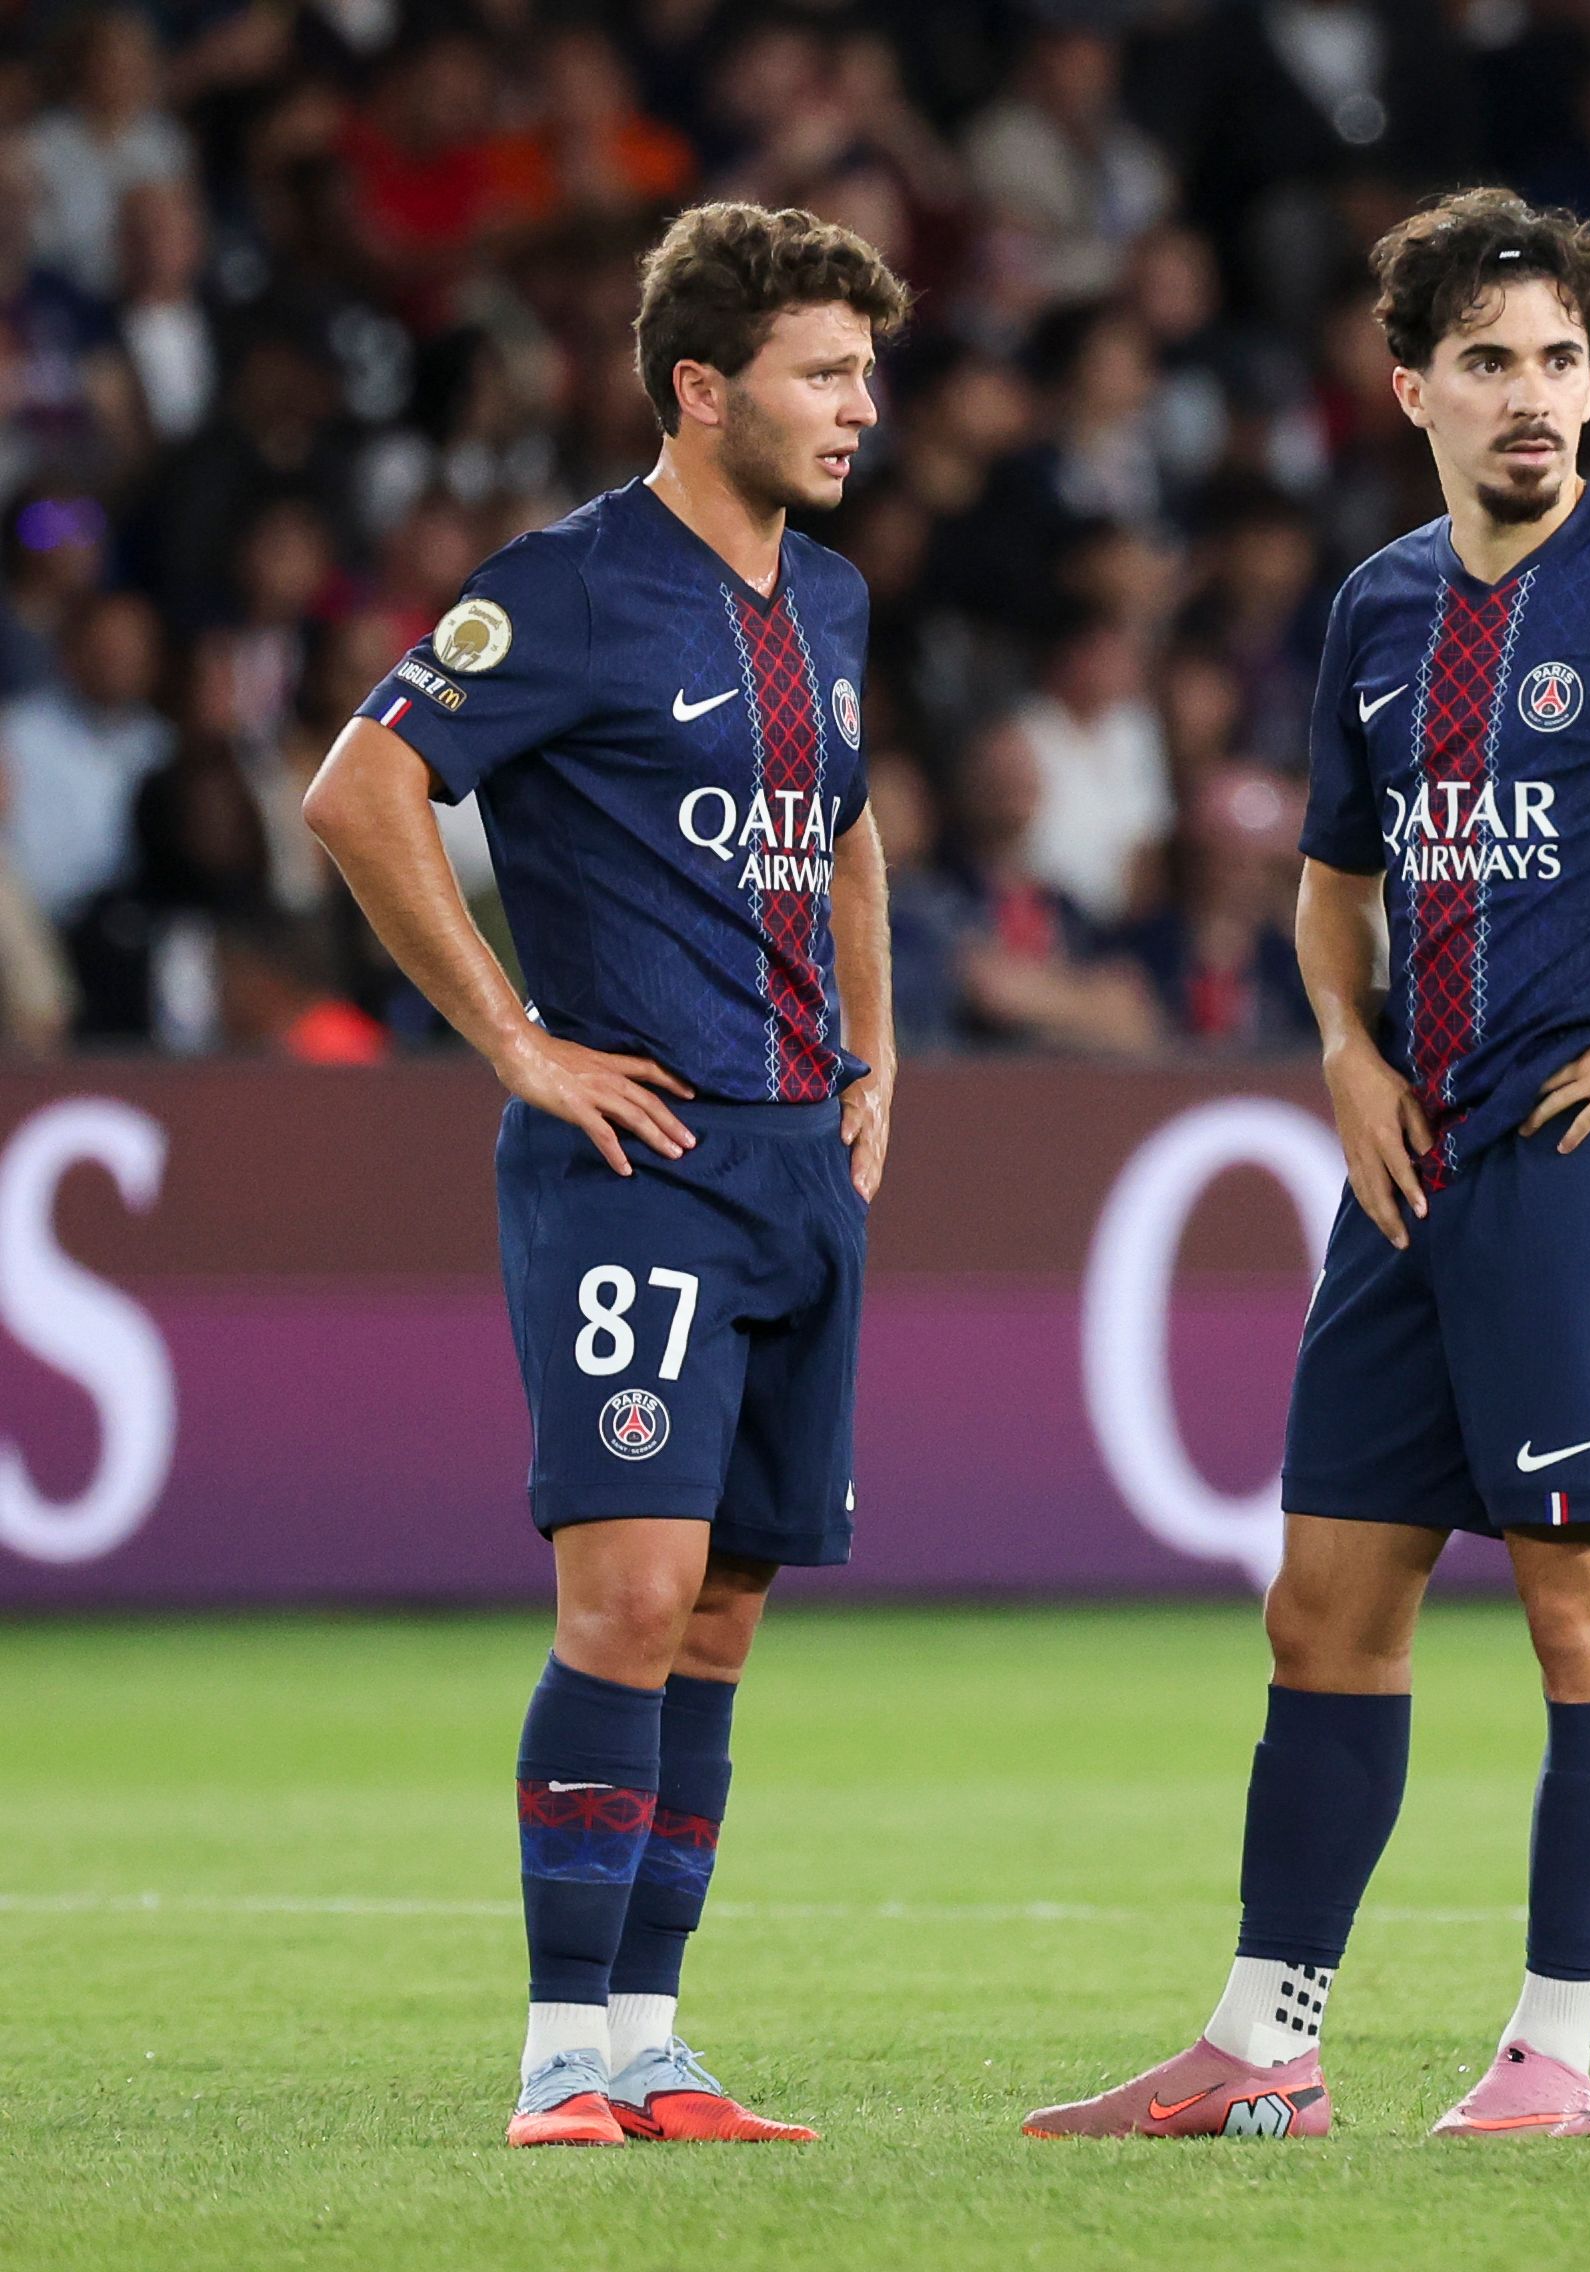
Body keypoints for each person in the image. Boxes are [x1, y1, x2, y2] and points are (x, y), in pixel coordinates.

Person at [1022, 189, 1590, 2147]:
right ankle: (1266, 2046)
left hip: (1585, 1163)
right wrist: (1337, 1049)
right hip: (1406, 1169)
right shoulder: (1379, 608)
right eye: (1497, 360)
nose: (1536, 398)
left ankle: (1552, 2054)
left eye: (1565, 362)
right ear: (1409, 381)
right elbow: (1333, 888)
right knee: (1322, 1607)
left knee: (1585, 1617)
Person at [298, 203, 907, 2149]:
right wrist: (515, 1039)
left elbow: (851, 827)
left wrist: (877, 1050)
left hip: (801, 1166)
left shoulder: (830, 601)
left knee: (721, 1612)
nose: (858, 408)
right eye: (822, 372)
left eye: (865, 371)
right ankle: (561, 2046)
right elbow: (361, 788)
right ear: (699, 385)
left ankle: (654, 2035)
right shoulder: (563, 591)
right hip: (634, 1163)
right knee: (628, 1594)